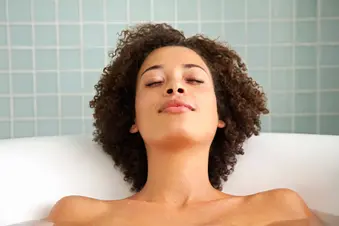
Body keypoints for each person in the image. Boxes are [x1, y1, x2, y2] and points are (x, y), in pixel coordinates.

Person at [45, 23, 324, 226]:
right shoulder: (77, 216)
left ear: (221, 115)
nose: (175, 87)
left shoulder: (280, 210)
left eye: (193, 80)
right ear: (132, 119)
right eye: (154, 82)